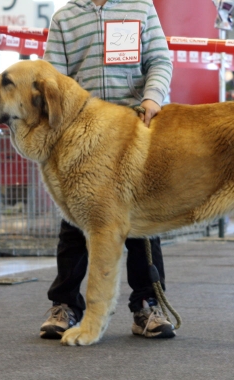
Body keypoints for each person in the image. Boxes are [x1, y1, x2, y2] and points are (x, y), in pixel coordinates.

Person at [40, 0, 175, 340]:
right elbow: (50, 80)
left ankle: (147, 305)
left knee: (142, 226)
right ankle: (65, 305)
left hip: (132, 132)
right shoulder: (65, 18)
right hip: (82, 138)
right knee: (74, 226)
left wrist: (153, 97)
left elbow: (159, 60)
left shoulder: (141, 7)